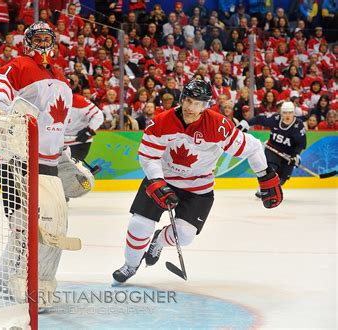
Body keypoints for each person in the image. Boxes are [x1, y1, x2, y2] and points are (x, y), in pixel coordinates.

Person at [112, 78, 283, 284]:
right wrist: (157, 181)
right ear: (182, 98)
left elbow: (253, 147)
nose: (191, 107)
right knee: (139, 224)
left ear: (205, 105)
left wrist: (265, 175)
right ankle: (130, 265)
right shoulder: (161, 122)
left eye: (197, 103)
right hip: (164, 178)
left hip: (198, 188)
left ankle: (158, 240)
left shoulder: (218, 126)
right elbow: (149, 156)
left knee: (185, 236)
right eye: (188, 100)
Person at [0, 22, 74, 303]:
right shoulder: (18, 65)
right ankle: (12, 281)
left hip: (49, 164)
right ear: (27, 42)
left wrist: (65, 156)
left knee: (50, 228)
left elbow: (57, 124)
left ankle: (28, 280)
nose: (42, 43)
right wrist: (4, 113)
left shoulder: (61, 76)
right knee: (23, 225)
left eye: (47, 38)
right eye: (37, 38)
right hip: (17, 156)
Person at [238, 101, 306, 192]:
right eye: (285, 113)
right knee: (270, 169)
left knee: (282, 178)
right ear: (281, 113)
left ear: (294, 113)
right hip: (273, 149)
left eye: (290, 113)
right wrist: (246, 123)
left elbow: (301, 143)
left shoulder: (298, 125)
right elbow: (259, 119)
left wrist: (296, 155)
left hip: (288, 155)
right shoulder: (275, 119)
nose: (287, 115)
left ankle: (272, 188)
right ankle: (264, 188)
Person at [64, 94, 103, 162]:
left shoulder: (79, 100)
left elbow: (98, 116)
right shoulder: (49, 98)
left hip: (78, 142)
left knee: (71, 168)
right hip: (58, 143)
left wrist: (88, 132)